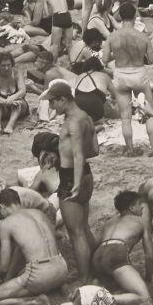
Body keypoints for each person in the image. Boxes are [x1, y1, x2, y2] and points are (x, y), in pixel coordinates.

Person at [49, 82, 98, 283]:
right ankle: (95, 270)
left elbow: (78, 155)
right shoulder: (85, 117)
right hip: (86, 174)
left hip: (72, 177)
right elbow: (94, 150)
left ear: (63, 99)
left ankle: (86, 279)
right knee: (84, 227)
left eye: (53, 103)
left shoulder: (73, 122)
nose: (52, 108)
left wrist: (75, 184)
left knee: (75, 233)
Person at [0, 198, 68, 305]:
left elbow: (3, 267)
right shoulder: (39, 213)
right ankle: (62, 286)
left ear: (2, 207)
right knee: (25, 273)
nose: (1, 218)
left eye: (0, 215)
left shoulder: (7, 222)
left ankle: (35, 302)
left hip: (40, 275)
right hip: (62, 269)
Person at [101, 4, 153, 154]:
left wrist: (118, 53)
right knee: (148, 111)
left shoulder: (112, 37)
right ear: (135, 17)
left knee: (125, 117)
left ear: (119, 16)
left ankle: (130, 148)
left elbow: (105, 58)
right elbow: (152, 59)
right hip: (139, 72)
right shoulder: (142, 37)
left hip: (121, 73)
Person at [91, 189, 153, 304]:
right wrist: (149, 278)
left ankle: (97, 287)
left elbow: (94, 245)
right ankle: (106, 300)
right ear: (132, 208)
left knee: (111, 280)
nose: (142, 208)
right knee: (144, 297)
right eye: (140, 205)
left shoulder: (109, 222)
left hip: (98, 257)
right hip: (116, 254)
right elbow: (149, 255)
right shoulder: (141, 221)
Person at [0, 51, 28, 135]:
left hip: (19, 109)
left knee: (18, 103)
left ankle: (10, 126)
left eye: (9, 65)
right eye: (3, 66)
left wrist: (12, 98)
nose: (7, 68)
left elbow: (23, 90)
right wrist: (5, 101)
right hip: (2, 109)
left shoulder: (17, 74)